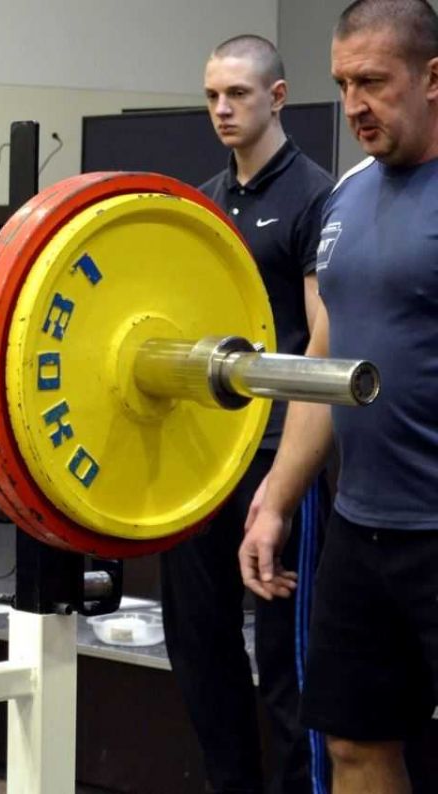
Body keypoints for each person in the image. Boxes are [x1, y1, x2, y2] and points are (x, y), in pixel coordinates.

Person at [239, 2, 438, 792]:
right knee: (354, 742)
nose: (354, 104)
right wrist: (276, 500)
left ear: (432, 77)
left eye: (374, 82)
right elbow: (325, 358)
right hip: (361, 530)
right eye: (343, 83)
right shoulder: (349, 195)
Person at [160, 35, 336, 794]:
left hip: (278, 454)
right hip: (206, 454)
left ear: (277, 97)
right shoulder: (203, 203)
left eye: (237, 94)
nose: (222, 109)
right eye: (212, 96)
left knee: (283, 660)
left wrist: (288, 481)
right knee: (199, 647)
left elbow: (323, 338)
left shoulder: (317, 197)